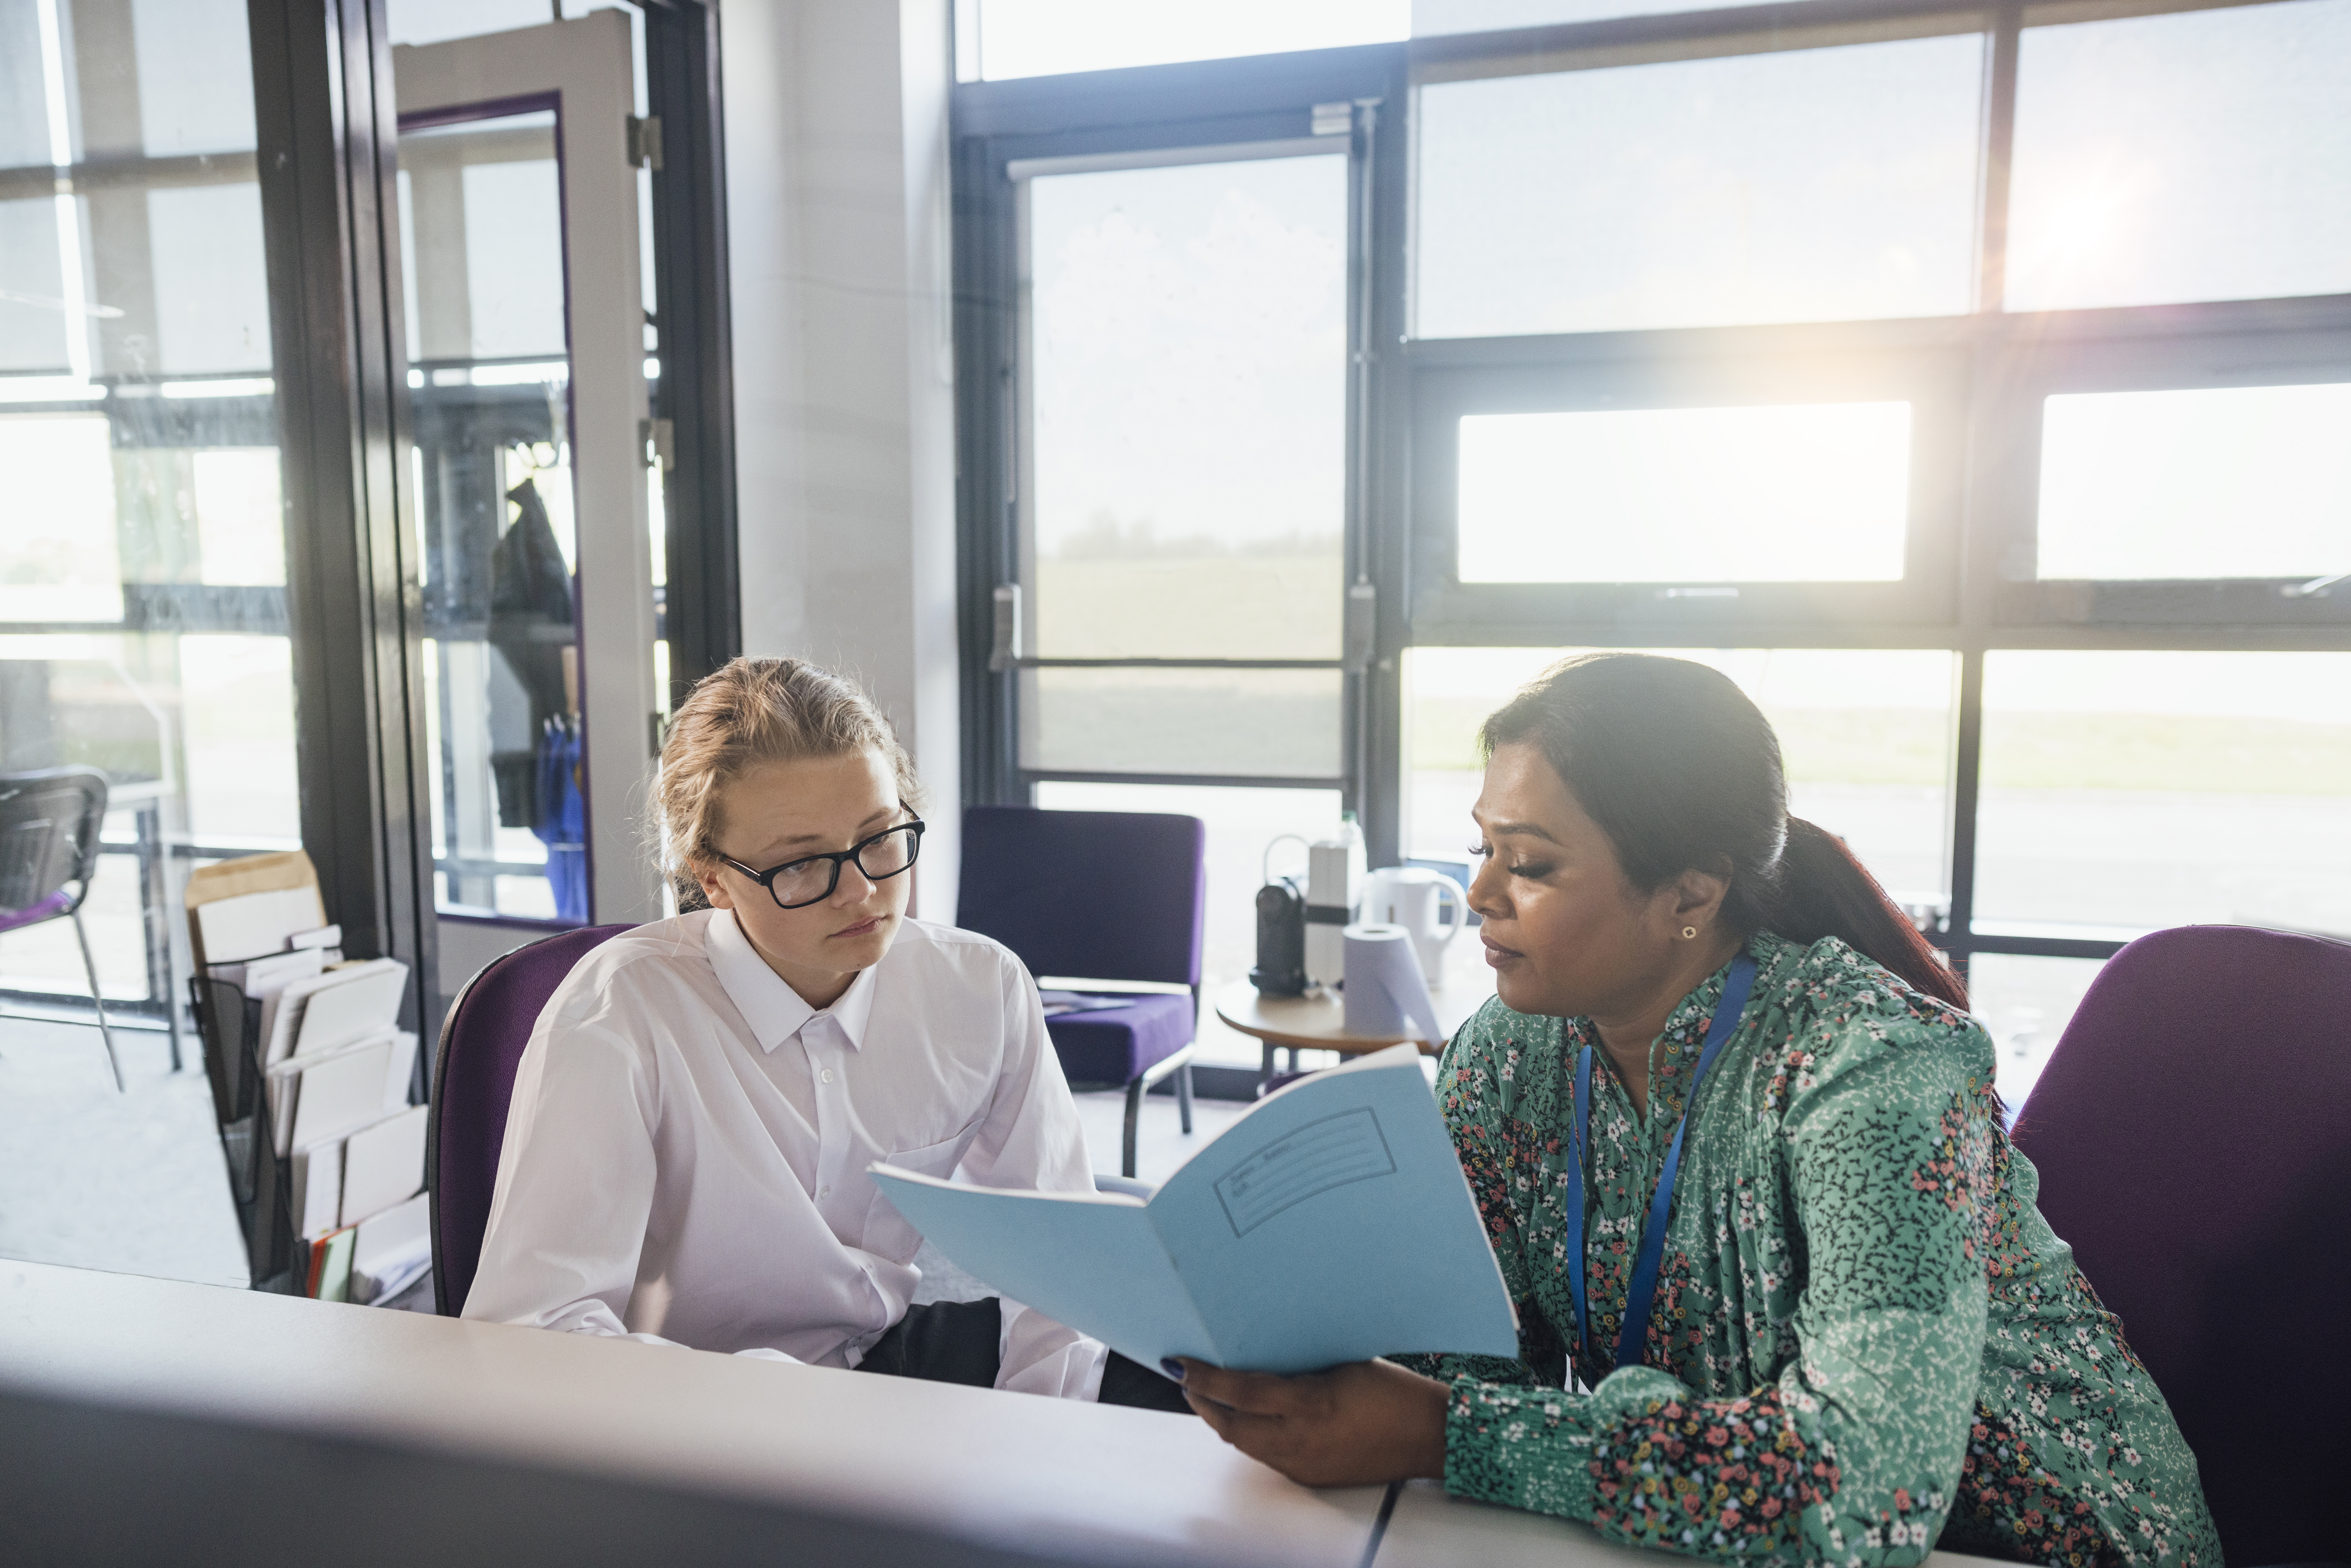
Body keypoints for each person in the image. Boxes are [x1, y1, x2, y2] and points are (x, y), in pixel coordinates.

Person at [1173, 653, 2217, 1566]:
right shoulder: (1507, 1052)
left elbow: (1867, 1491)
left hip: (2015, 1542)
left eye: (1530, 862)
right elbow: (1456, 1359)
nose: (1481, 891)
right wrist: (1308, 1358)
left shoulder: (1871, 1068)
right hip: (1714, 1533)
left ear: (1690, 895)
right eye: (1483, 845)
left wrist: (1446, 1435)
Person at [465, 657, 1186, 1410]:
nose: (863, 892)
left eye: (880, 837)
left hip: (873, 1357)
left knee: (1211, 1377)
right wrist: (795, 1413)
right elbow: (534, 1330)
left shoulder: (978, 988)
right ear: (711, 876)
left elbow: (1062, 1254)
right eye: (805, 864)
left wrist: (1044, 1438)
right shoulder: (622, 1010)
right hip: (682, 1402)